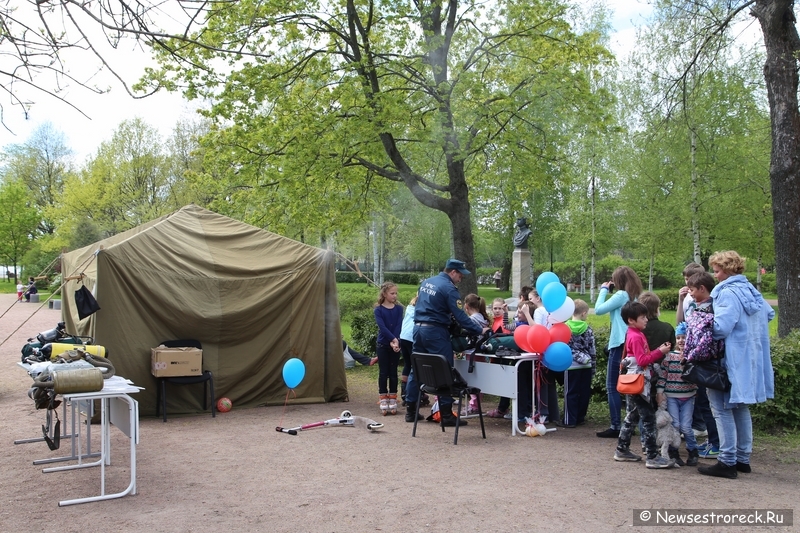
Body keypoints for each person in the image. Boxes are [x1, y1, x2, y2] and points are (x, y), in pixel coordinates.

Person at [697, 251, 774, 479]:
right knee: (740, 407)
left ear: (728, 270)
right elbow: (768, 315)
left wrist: (703, 321)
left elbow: (721, 327)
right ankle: (743, 458)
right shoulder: (752, 291)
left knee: (721, 409)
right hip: (749, 356)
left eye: (718, 270)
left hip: (728, 359)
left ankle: (727, 460)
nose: (715, 275)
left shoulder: (727, 292)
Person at [404, 259, 488, 425]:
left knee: (416, 369)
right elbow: (461, 316)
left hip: (418, 329)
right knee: (444, 369)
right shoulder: (449, 288)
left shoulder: (426, 282)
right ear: (453, 272)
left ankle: (411, 410)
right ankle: (446, 414)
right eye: (460, 275)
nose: (461, 279)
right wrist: (479, 330)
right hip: (435, 332)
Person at [613, 301, 674, 469]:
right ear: (631, 320)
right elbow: (642, 360)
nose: (646, 319)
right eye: (643, 317)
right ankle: (652, 455)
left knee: (632, 416)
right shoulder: (637, 336)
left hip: (634, 382)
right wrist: (659, 352)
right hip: (640, 384)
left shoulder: (632, 333)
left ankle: (622, 448)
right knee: (647, 418)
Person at [594, 266, 643, 438]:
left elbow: (599, 309)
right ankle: (632, 422)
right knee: (632, 385)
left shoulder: (621, 295)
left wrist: (603, 290)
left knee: (612, 386)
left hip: (619, 344)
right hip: (632, 342)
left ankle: (616, 425)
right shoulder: (635, 295)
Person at [684, 271, 721, 459]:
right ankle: (714, 439)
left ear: (702, 289)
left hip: (705, 362)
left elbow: (703, 339)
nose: (690, 293)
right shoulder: (698, 306)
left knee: (708, 405)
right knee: (704, 402)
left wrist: (690, 355)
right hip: (700, 360)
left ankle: (716, 443)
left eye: (692, 290)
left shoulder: (709, 309)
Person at [656, 323, 699, 467]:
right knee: (675, 425)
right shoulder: (669, 356)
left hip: (688, 396)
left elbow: (697, 376)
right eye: (679, 338)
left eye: (684, 338)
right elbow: (663, 376)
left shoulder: (694, 357)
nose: (681, 341)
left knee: (686, 427)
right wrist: (660, 392)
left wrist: (687, 360)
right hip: (672, 396)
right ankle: (674, 451)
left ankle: (693, 450)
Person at [561, 299, 595, 427]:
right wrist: (593, 366)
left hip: (571, 365)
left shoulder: (565, 328)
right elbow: (592, 349)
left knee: (570, 392)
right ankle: (581, 417)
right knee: (584, 392)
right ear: (584, 313)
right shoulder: (589, 329)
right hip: (586, 365)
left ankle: (570, 420)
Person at [374, 282, 403, 416]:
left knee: (393, 372)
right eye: (392, 293)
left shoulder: (398, 309)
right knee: (383, 372)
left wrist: (396, 341)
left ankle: (393, 397)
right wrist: (392, 340)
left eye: (396, 293)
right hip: (383, 345)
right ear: (384, 294)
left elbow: (398, 325)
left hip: (395, 343)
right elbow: (383, 327)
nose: (394, 295)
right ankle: (383, 397)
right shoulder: (378, 310)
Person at [398, 293, 418, 406]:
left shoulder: (409, 308)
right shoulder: (421, 310)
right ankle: (412, 392)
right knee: (415, 366)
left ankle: (404, 393)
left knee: (407, 364)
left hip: (403, 337)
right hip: (412, 338)